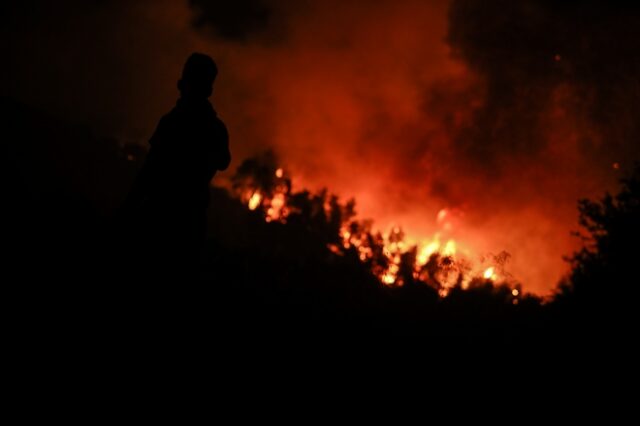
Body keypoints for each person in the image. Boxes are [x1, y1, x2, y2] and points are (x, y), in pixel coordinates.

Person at [121, 53, 231, 281]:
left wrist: (127, 211)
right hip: (191, 220)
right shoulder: (215, 127)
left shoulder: (173, 121)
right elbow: (223, 161)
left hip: (161, 218)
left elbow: (149, 172)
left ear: (184, 82)